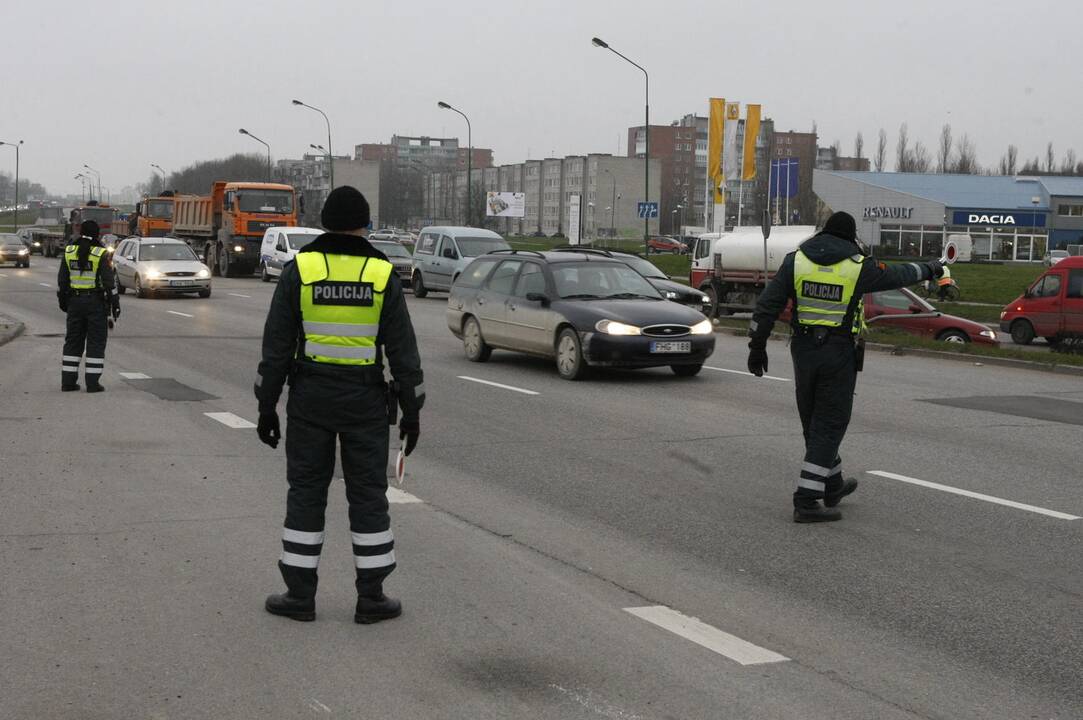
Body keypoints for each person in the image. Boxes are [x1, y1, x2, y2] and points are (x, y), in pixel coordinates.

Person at [255, 186, 424, 623]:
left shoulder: (301, 269)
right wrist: (412, 409)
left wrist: (266, 405)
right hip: (365, 401)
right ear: (365, 225)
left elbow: (276, 347)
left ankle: (298, 596)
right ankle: (371, 598)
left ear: (325, 222)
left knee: (306, 492)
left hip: (310, 399)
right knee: (368, 495)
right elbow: (403, 351)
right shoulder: (382, 274)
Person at [747, 212, 943, 523]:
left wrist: (756, 347)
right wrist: (931, 268)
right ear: (850, 237)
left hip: (804, 350)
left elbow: (767, 305)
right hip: (838, 352)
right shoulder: (858, 265)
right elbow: (899, 274)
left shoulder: (795, 260)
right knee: (830, 424)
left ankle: (833, 485)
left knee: (814, 422)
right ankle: (807, 500)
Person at [57, 220, 120, 392]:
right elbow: (109, 283)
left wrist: (64, 302)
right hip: (95, 304)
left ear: (80, 231)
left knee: (73, 341)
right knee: (96, 342)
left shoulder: (69, 251)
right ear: (97, 234)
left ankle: (68, 382)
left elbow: (62, 281)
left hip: (74, 303)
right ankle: (92, 383)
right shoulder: (100, 253)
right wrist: (115, 304)